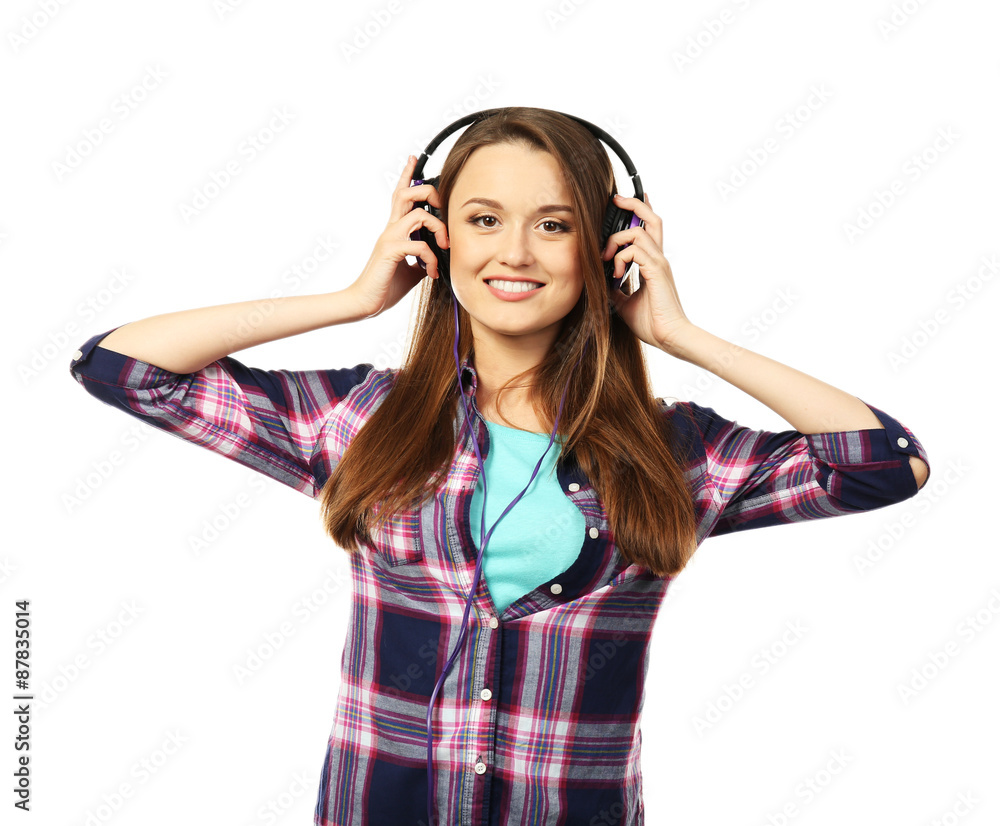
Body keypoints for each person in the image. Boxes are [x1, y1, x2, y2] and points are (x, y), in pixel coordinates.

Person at [69, 106, 930, 826]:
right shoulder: (360, 419)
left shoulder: (678, 455)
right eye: (484, 219)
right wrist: (353, 299)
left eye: (552, 224)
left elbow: (884, 465)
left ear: (606, 246)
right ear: (437, 238)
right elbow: (118, 367)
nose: (513, 253)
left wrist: (680, 336)